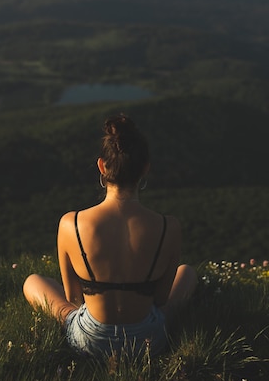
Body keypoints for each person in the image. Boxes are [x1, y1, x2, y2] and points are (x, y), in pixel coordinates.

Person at [23, 114, 197, 359]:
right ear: (145, 168)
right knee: (187, 272)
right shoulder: (169, 226)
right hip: (148, 341)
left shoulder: (70, 223)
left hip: (89, 341)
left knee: (33, 282)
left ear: (102, 166)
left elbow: (73, 297)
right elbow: (160, 299)